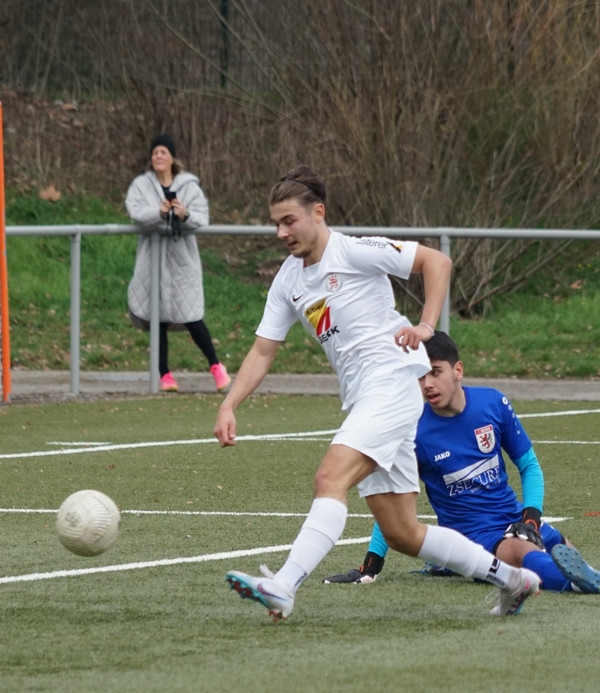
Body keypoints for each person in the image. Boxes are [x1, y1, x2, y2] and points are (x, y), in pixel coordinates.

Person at [215, 165, 542, 620]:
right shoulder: (287, 281)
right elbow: (263, 350)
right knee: (403, 533)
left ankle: (284, 585)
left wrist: (426, 326)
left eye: (289, 220)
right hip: (364, 397)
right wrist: (229, 403)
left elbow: (437, 262)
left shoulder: (353, 250)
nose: (281, 232)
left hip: (392, 383)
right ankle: (512, 580)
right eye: (276, 223)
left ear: (318, 213)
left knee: (330, 478)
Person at [322, 331, 600, 594]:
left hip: (514, 519)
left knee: (561, 549)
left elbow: (529, 467)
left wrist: (531, 520)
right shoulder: (413, 432)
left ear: (457, 370)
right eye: (420, 376)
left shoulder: (493, 403)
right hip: (472, 537)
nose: (427, 384)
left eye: (435, 372)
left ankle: (568, 572)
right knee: (521, 553)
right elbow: (393, 505)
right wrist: (371, 564)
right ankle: (572, 584)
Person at [125, 132, 230, 393]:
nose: (158, 156)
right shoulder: (141, 185)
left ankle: (216, 366)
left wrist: (185, 215)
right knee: (157, 318)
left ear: (172, 158)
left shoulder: (190, 186)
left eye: (163, 152)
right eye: (155, 152)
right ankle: (165, 375)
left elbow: (202, 218)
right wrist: (158, 212)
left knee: (192, 315)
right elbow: (136, 213)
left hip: (182, 261)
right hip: (153, 260)